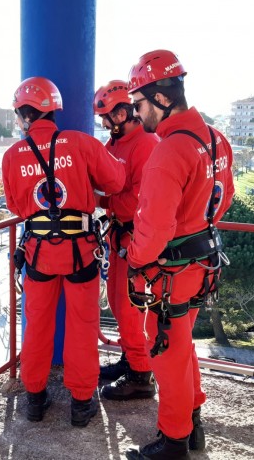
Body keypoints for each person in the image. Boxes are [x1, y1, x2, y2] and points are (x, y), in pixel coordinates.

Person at [123, 50, 235, 459]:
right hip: (202, 262)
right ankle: (193, 426)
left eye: (139, 105)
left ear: (161, 99)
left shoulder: (168, 152)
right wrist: (195, 228)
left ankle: (174, 443)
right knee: (182, 344)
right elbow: (224, 197)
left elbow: (152, 230)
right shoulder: (214, 138)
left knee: (167, 353)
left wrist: (134, 258)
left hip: (171, 271)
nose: (137, 115)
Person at [3, 76, 125, 427]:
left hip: (38, 253)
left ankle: (35, 398)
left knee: (37, 325)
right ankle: (82, 402)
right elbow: (116, 182)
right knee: (83, 326)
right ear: (52, 109)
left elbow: (16, 205)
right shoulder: (81, 143)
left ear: (26, 115)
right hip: (81, 252)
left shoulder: (13, 156)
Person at [92, 80, 158, 400]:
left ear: (124, 112)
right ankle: (131, 358)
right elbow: (100, 178)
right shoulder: (115, 143)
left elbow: (136, 200)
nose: (105, 123)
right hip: (120, 234)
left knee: (128, 306)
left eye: (108, 116)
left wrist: (105, 203)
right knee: (120, 306)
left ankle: (141, 374)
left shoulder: (145, 144)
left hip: (134, 235)